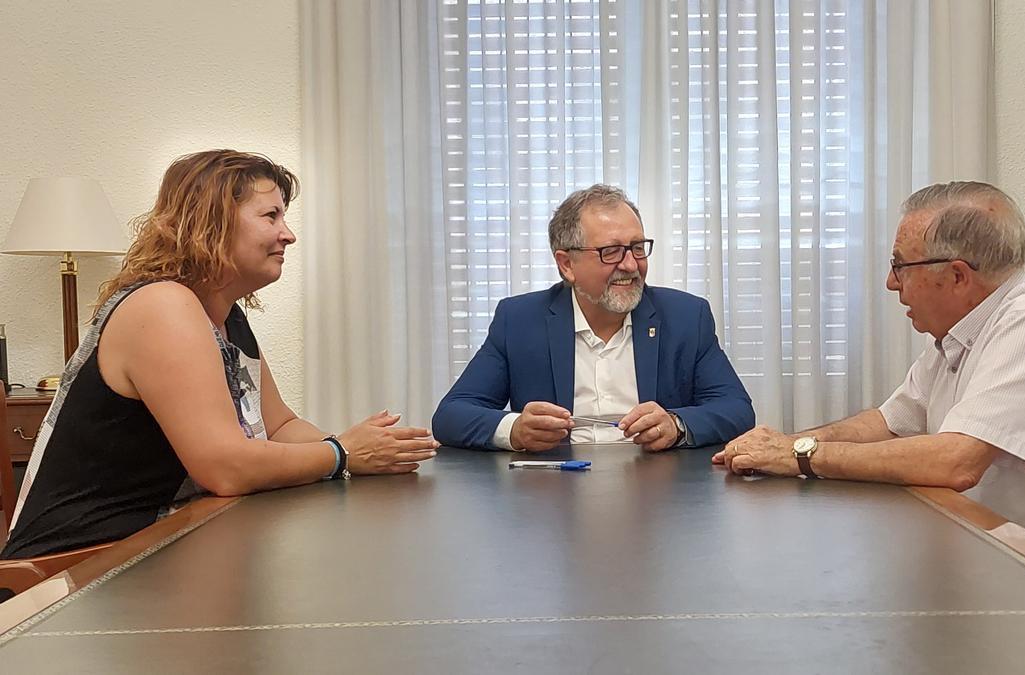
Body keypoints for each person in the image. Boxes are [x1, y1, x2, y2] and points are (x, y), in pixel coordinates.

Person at [713, 181, 1025, 614]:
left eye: (900, 265)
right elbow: (889, 422)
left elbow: (957, 463)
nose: (890, 283)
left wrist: (799, 456)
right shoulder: (959, 332)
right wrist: (783, 444)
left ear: (959, 276)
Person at [2, 150, 438, 560]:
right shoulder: (161, 306)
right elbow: (223, 466)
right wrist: (342, 452)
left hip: (162, 547)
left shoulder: (227, 317)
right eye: (271, 216)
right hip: (79, 571)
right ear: (212, 224)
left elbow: (279, 425)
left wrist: (367, 455)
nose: (288, 234)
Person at [433, 184, 754, 452]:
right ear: (567, 265)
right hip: (554, 499)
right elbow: (451, 416)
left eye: (637, 248)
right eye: (611, 252)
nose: (630, 265)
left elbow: (736, 410)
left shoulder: (685, 317)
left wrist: (676, 423)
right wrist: (514, 429)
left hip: (658, 498)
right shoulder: (519, 320)